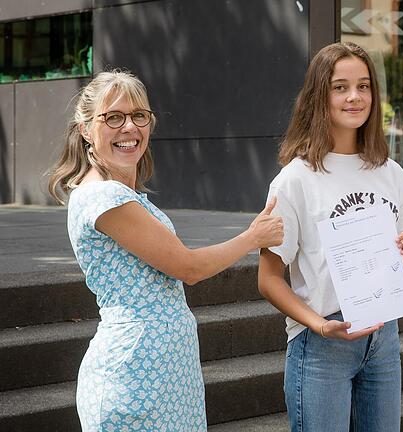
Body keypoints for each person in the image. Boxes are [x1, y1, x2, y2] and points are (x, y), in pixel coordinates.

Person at [47, 70, 284, 431]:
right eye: (113, 117)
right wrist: (253, 237)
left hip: (159, 370)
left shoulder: (119, 192)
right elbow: (187, 268)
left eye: (138, 115)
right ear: (85, 130)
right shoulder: (103, 196)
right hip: (136, 373)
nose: (129, 127)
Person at [258, 41, 403, 432]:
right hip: (321, 342)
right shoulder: (295, 180)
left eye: (364, 86)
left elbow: (402, 264)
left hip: (383, 338)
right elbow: (267, 280)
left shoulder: (391, 173)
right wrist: (319, 325)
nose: (355, 97)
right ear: (320, 95)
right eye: (340, 87)